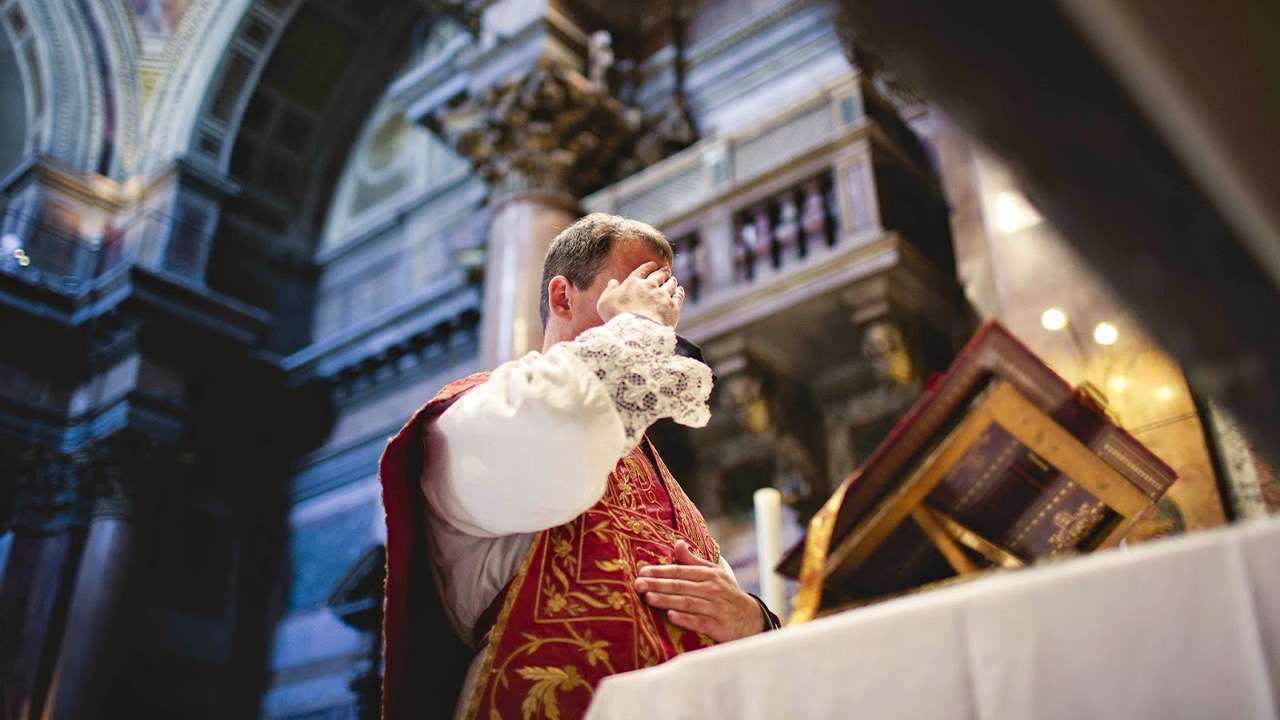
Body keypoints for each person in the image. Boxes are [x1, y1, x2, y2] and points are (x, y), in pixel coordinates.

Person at [379, 213, 779, 720]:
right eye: (636, 290)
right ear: (563, 298)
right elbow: (560, 439)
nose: (658, 316)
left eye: (662, 295)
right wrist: (636, 326)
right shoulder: (485, 411)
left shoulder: (660, 480)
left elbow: (723, 613)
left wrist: (751, 619)